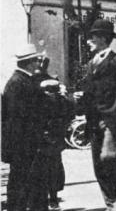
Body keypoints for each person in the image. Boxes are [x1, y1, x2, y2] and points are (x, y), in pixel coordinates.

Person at [74, 19, 116, 211]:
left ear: (102, 39)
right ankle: (110, 202)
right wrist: (80, 99)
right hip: (94, 120)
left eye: (92, 37)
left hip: (113, 119)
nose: (88, 41)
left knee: (108, 157)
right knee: (97, 164)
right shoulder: (90, 65)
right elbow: (89, 92)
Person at [2, 44, 48, 211]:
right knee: (20, 183)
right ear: (30, 62)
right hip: (23, 143)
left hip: (24, 142)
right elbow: (18, 117)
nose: (39, 63)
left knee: (26, 182)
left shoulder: (22, 81)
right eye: (37, 60)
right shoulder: (19, 83)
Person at [30, 78, 74, 211]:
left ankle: (46, 200)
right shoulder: (64, 101)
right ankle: (54, 199)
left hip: (44, 141)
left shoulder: (44, 102)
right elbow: (69, 116)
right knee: (55, 169)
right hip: (57, 141)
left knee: (43, 170)